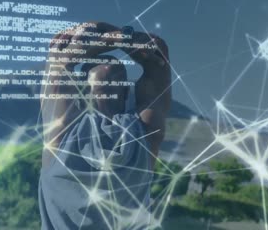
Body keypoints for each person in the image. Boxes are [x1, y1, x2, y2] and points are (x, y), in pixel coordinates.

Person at [38, 21, 171, 230]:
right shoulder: (144, 137)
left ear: (80, 95)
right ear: (128, 93)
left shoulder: (60, 135)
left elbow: (61, 57)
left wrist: (107, 33)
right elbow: (158, 59)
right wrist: (122, 36)